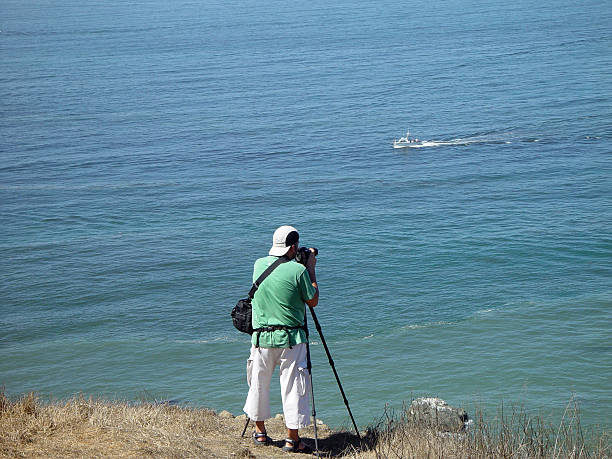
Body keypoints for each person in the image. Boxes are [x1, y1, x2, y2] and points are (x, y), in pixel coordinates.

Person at [243, 225, 319, 453]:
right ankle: (292, 439)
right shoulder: (298, 272)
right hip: (291, 339)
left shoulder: (258, 265)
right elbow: (312, 300)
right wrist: (310, 268)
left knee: (258, 384)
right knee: (293, 387)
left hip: (261, 338)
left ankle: (260, 433)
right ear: (293, 247)